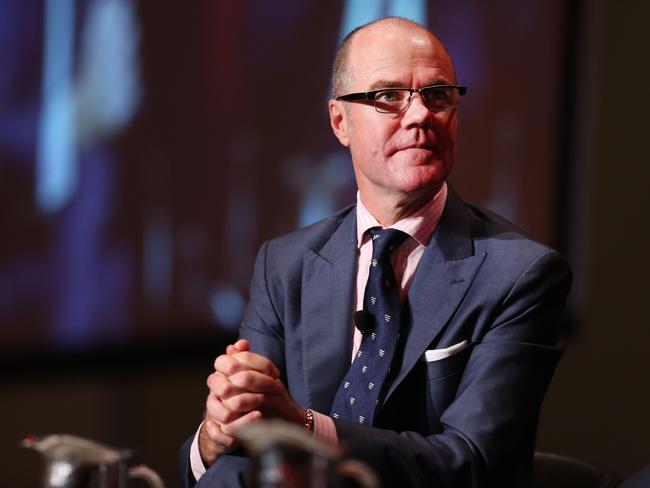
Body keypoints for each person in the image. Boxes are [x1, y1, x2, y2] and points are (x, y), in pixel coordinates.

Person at [178, 17, 572, 487]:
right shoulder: (285, 266)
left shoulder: (521, 274)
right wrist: (217, 433)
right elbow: (246, 442)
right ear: (340, 121)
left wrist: (305, 427)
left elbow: (472, 464)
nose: (420, 114)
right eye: (388, 97)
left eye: (438, 95)